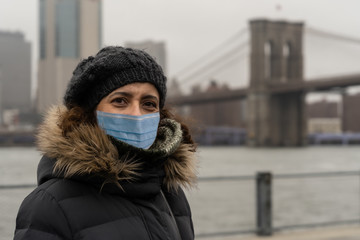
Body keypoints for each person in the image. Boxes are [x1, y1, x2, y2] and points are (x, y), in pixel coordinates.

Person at [14, 46, 197, 240]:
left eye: (149, 104)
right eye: (120, 101)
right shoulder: (48, 206)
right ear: (89, 114)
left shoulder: (170, 192)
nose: (136, 114)